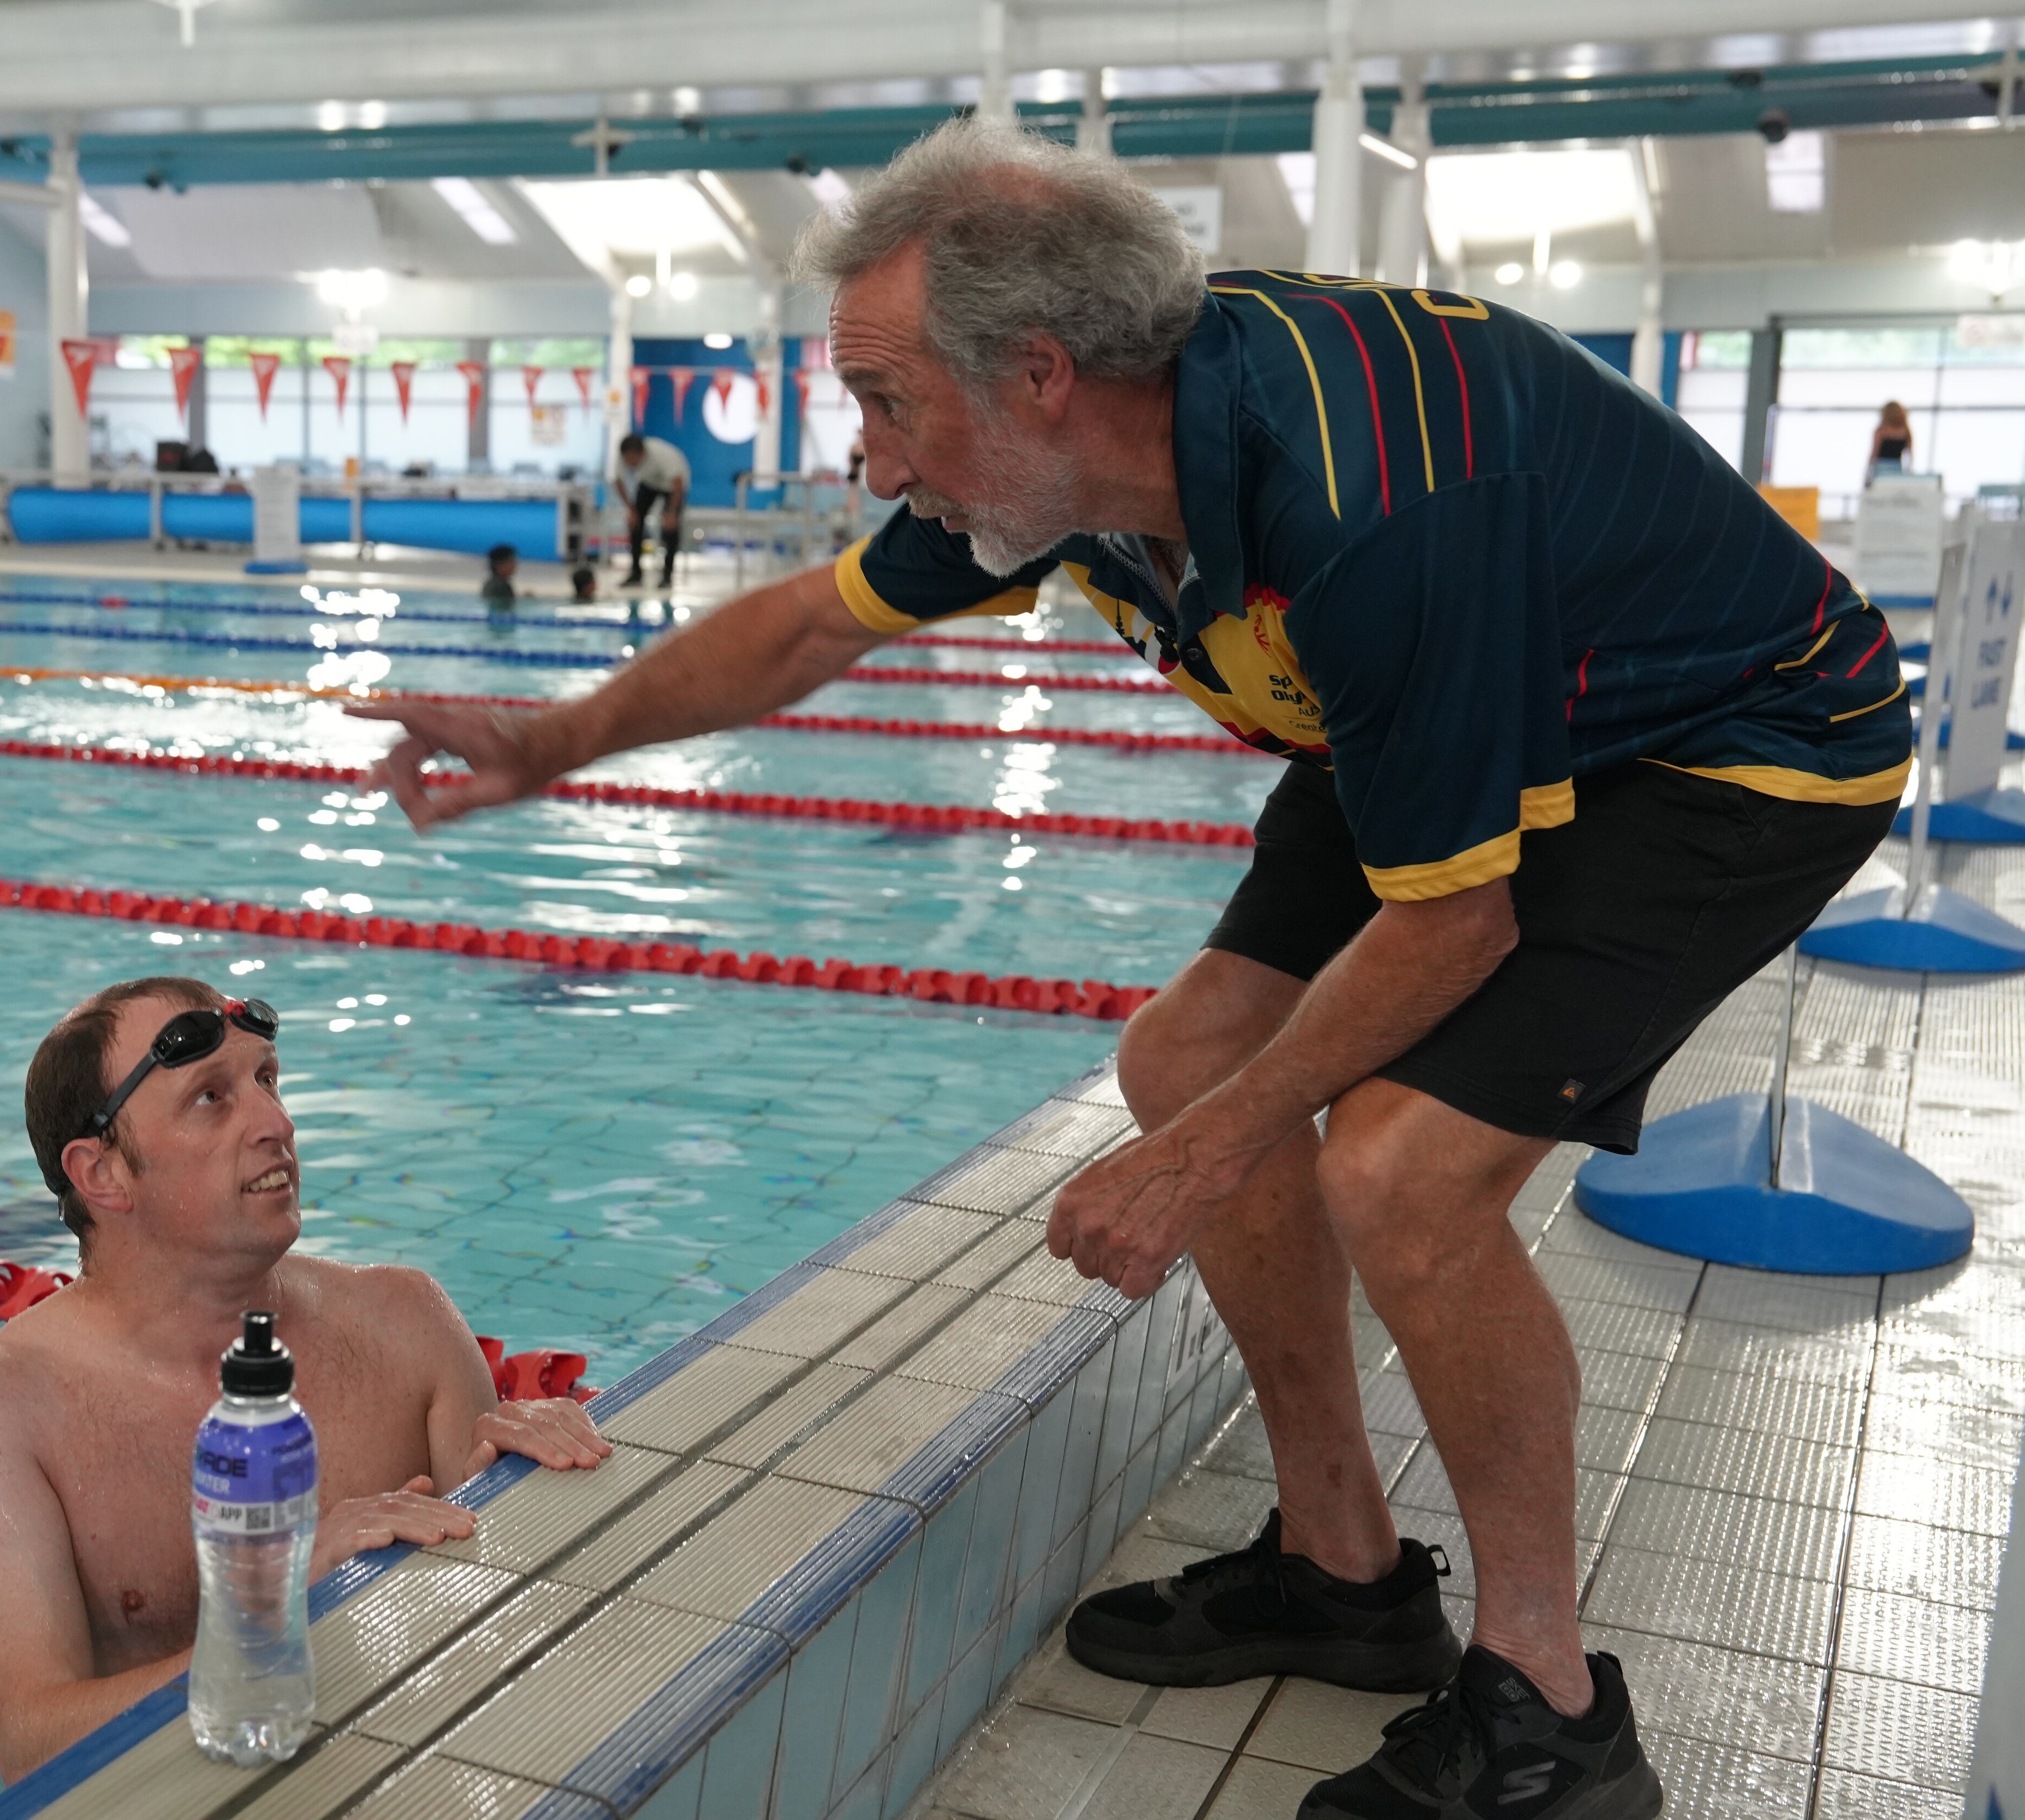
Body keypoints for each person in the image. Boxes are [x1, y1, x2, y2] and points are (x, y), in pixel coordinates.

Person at [351, 120, 1910, 1820]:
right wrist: (551, 738)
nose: (869, 460)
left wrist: (1198, 1161)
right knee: (1185, 1062)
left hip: (1729, 746)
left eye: (883, 402)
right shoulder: (1063, 467)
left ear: (1037, 372)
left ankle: (1549, 1713)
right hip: (1455, 703)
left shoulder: (1372, 496)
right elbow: (810, 623)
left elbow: (1454, 921)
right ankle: (1340, 1569)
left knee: (1401, 1172)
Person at [0, 977, 610, 1787]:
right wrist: (271, 1614)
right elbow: (36, 1749)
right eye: (213, 1098)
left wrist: (537, 1493)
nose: (277, 1124)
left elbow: (517, 1643)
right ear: (102, 1173)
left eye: (268, 1081)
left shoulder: (407, 1320)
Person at [614, 431, 689, 589]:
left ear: (642, 454)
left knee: (670, 529)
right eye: (628, 460)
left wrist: (672, 513)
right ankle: (636, 574)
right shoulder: (623, 456)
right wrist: (631, 510)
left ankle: (667, 576)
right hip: (649, 483)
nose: (631, 464)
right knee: (635, 524)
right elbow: (618, 482)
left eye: (634, 460)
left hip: (674, 487)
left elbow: (678, 483)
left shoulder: (661, 455)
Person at [1869, 400, 1913, 477]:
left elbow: (1874, 453)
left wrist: (1869, 472)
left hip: (1881, 467)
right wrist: (1909, 472)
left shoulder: (1881, 431)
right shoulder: (1905, 431)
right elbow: (1910, 454)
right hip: (1897, 467)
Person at [480, 542, 519, 622]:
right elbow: (508, 608)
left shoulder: (490, 583)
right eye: (511, 560)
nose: (515, 564)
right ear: (500, 564)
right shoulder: (503, 586)